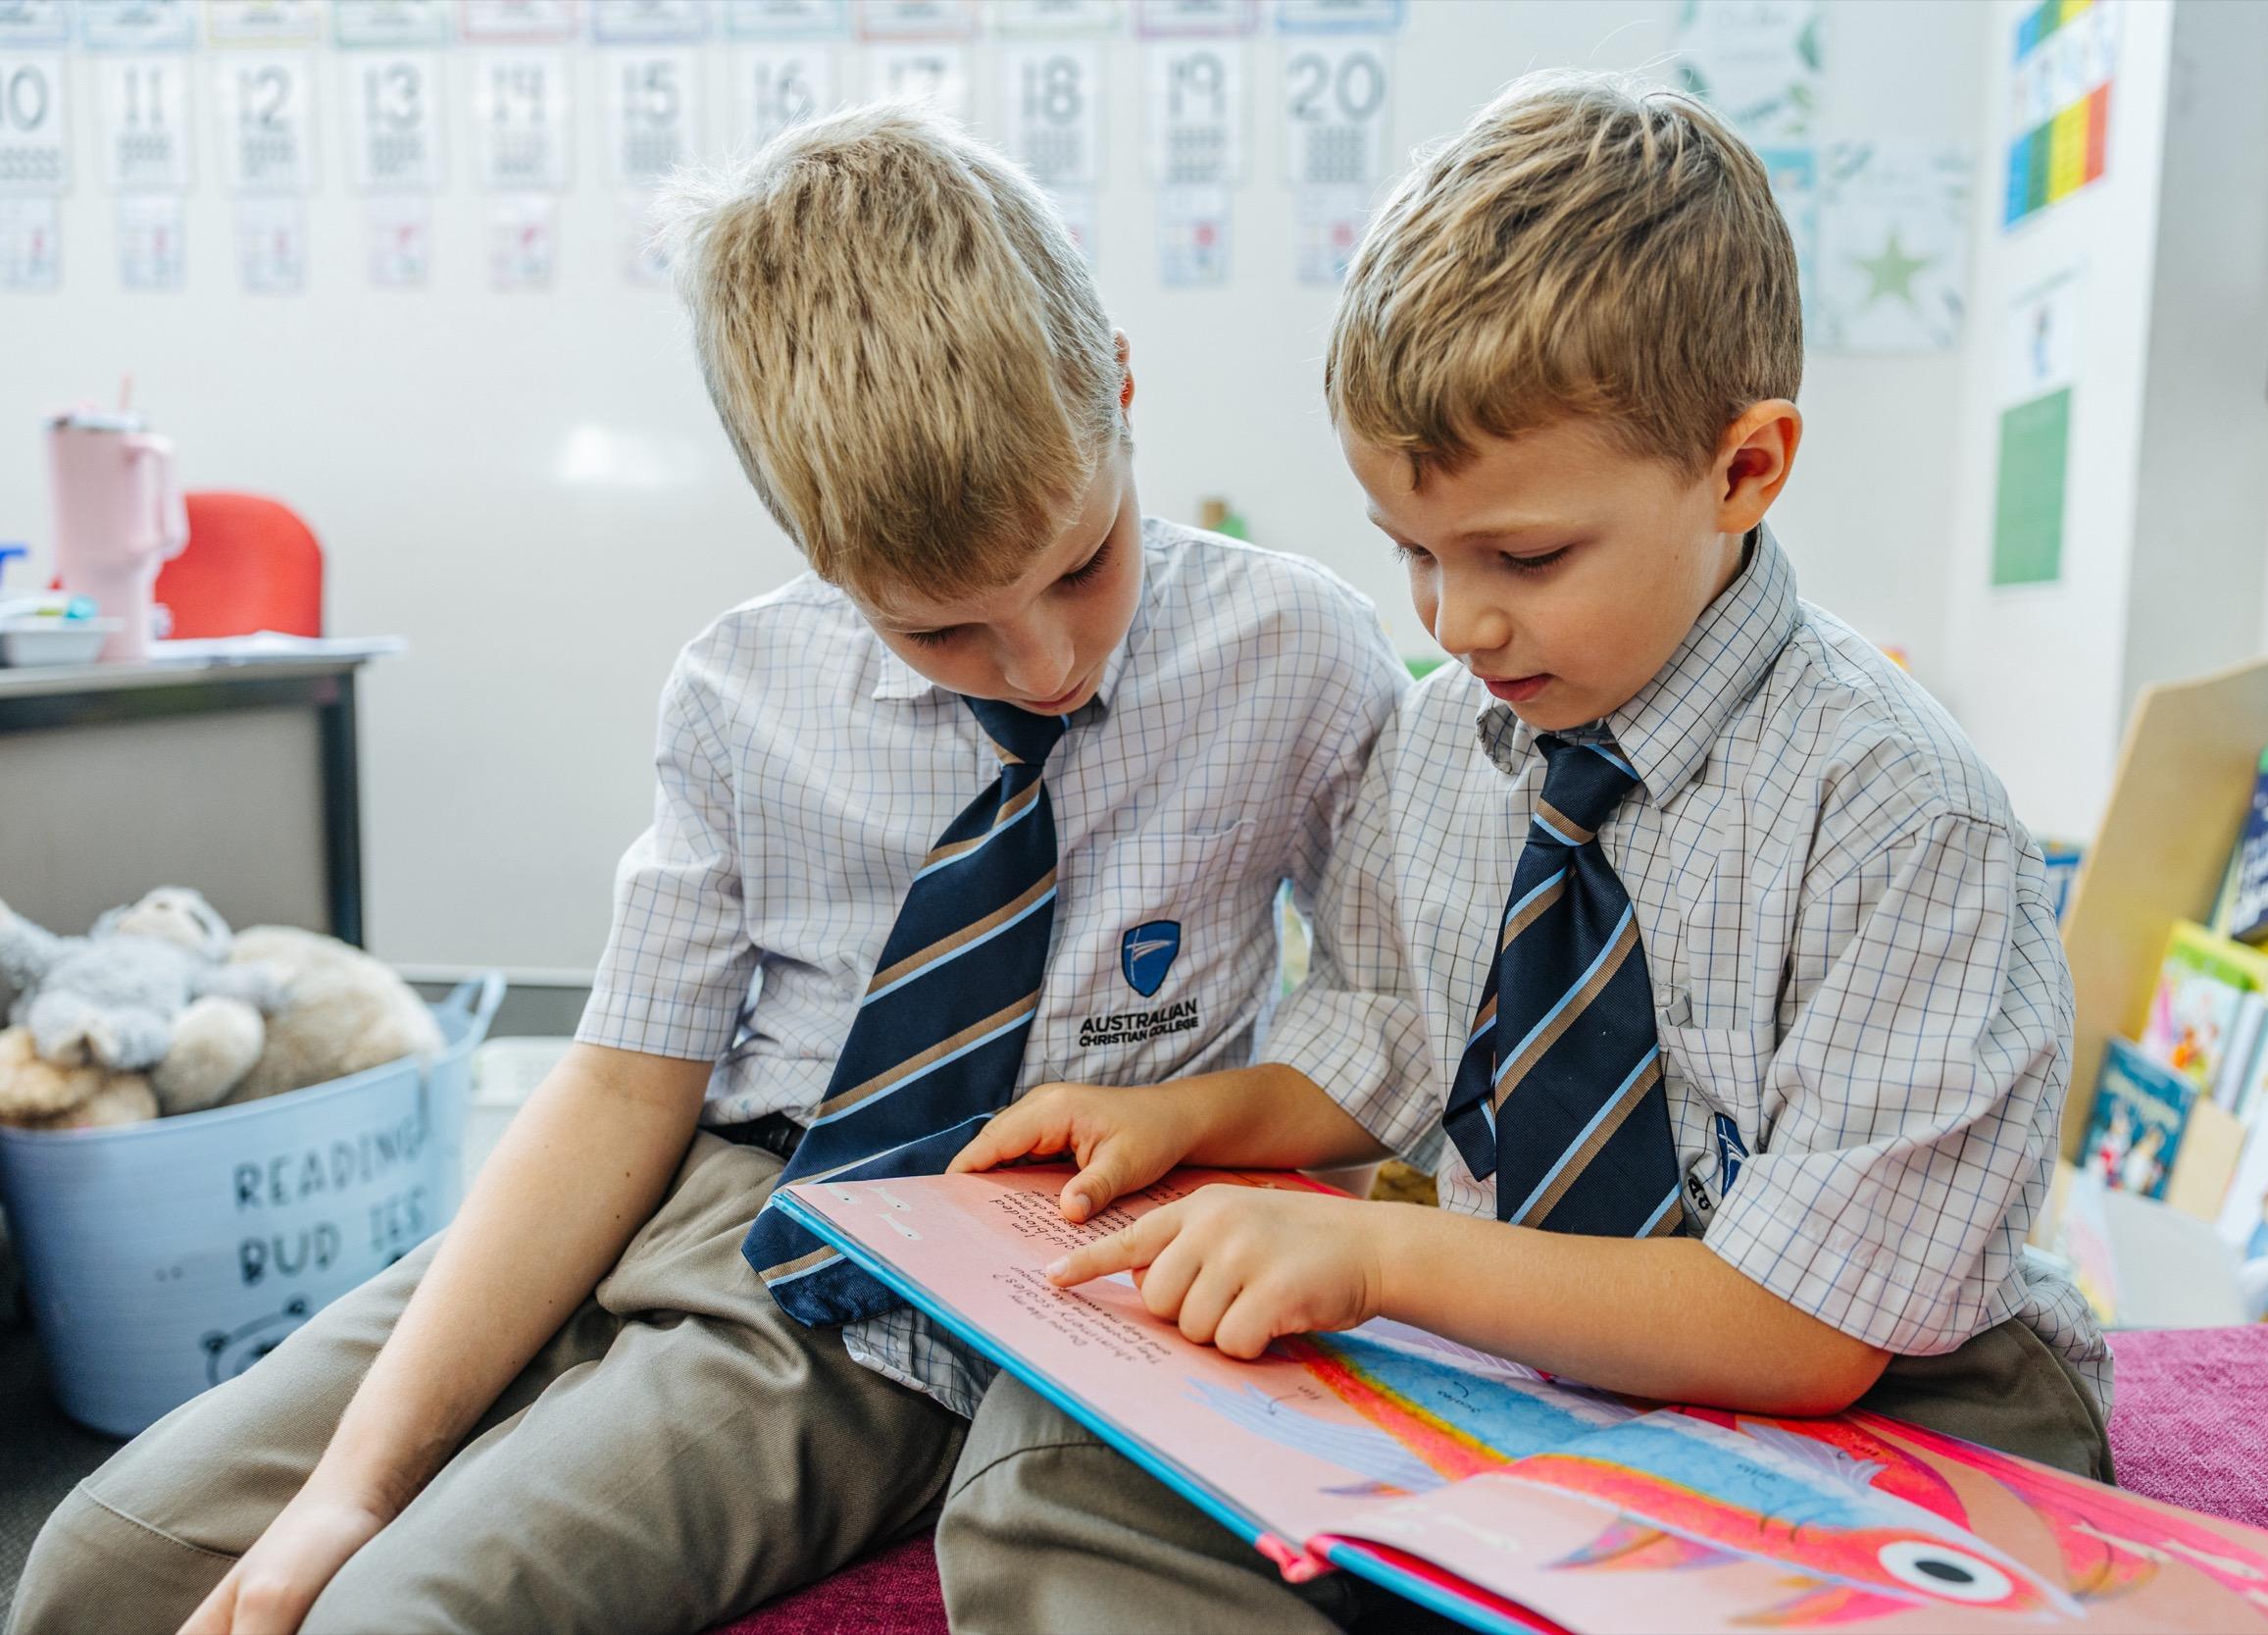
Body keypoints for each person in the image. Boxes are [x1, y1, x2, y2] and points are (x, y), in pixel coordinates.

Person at [10, 103, 1404, 1635]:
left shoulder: (1296, 651)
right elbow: (623, 1084)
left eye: (1084, 563)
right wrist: (351, 1483)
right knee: (100, 1569)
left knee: (390, 1616)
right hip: (704, 1172)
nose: (1050, 662)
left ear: (1124, 391)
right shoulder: (744, 692)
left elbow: (1394, 1030)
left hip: (936, 1259)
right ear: (810, 545)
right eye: (941, 629)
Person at [932, 72, 2112, 1635]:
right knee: (1049, 1490)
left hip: (1894, 1392)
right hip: (1540, 1339)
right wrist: (1185, 1119)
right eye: (1411, 550)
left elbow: (1805, 1334)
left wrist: (1372, 1257)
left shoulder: (1904, 815)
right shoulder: (1451, 739)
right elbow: (1390, 1045)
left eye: (1527, 556)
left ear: (1745, 469)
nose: (1456, 620)